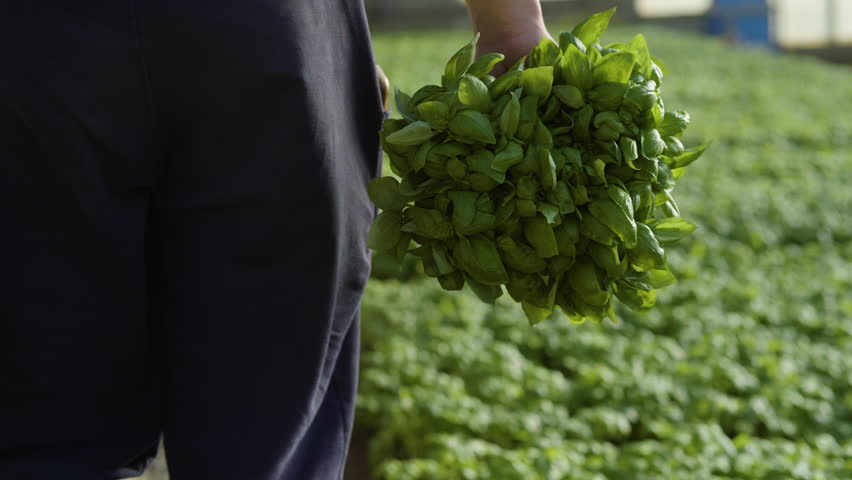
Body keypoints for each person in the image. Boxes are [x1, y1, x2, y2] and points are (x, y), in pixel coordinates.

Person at [0, 0, 549, 478]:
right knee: (266, 431)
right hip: (267, 31)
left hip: (35, 38)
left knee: (40, 432)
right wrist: (509, 23)